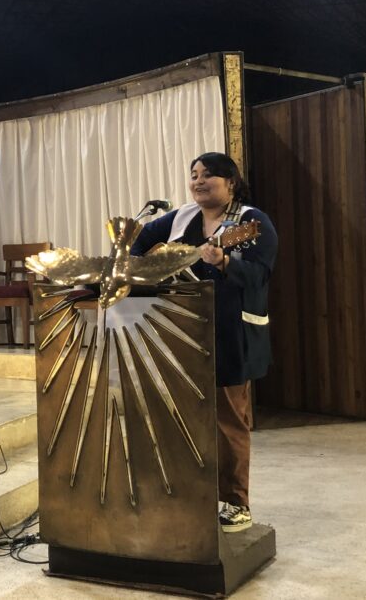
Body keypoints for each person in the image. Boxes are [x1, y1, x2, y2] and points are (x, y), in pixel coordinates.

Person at [130, 152, 277, 534]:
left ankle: (234, 503)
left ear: (230, 183)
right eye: (193, 174)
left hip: (230, 333)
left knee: (228, 420)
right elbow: (143, 240)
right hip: (180, 328)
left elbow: (260, 275)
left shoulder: (249, 222)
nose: (198, 181)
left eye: (208, 175)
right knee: (181, 414)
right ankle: (188, 492)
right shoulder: (179, 217)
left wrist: (226, 263)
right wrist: (138, 270)